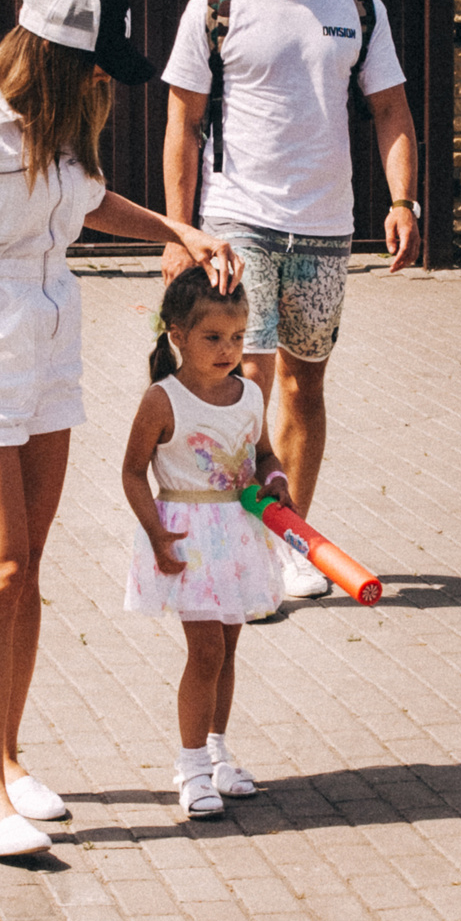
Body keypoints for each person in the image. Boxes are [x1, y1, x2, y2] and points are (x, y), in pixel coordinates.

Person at [0, 0, 243, 861]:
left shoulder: (61, 124)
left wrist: (180, 232)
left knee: (29, 565)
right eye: (99, 66)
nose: (107, 82)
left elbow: (91, 204)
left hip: (49, 337)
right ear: (56, 54)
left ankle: (10, 754)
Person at [160, 0, 420, 603]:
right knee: (245, 380)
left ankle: (290, 539)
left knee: (305, 382)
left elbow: (391, 110)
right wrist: (180, 230)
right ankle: (240, 544)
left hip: (326, 227)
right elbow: (183, 122)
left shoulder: (357, 4)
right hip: (240, 222)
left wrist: (403, 201)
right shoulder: (217, 3)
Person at [120, 268, 292, 817]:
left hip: (238, 536)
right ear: (178, 336)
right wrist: (155, 533)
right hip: (189, 538)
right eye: (213, 338)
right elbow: (131, 472)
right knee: (207, 651)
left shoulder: (250, 393)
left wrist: (276, 478)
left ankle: (218, 752)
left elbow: (262, 454)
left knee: (230, 649)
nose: (228, 350)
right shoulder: (162, 399)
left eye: (238, 338)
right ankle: (191, 765)